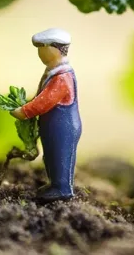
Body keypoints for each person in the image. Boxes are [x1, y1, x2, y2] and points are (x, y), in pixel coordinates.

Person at [10, 28, 81, 202]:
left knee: (60, 156)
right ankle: (55, 185)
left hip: (62, 126)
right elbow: (41, 96)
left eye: (42, 49)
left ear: (54, 49)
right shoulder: (53, 72)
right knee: (50, 155)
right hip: (53, 125)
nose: (39, 54)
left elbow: (46, 100)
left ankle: (63, 188)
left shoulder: (62, 77)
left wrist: (24, 111)